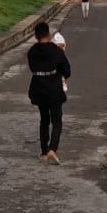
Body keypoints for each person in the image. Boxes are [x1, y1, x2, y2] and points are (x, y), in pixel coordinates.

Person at [27, 21, 70, 165]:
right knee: (56, 120)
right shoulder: (56, 51)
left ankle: (44, 152)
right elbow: (67, 71)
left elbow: (33, 68)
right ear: (49, 34)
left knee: (44, 120)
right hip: (54, 91)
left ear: (35, 36)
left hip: (39, 90)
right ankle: (53, 149)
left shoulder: (32, 52)